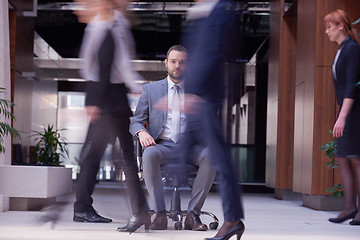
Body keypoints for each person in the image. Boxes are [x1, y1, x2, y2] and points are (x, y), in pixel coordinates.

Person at [73, 0, 150, 233]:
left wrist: (94, 98)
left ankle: (83, 207)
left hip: (108, 96)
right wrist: (95, 100)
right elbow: (104, 65)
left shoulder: (113, 23)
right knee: (123, 157)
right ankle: (139, 212)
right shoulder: (105, 25)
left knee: (97, 156)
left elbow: (102, 65)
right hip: (108, 98)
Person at [176, 0, 245, 239]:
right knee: (182, 157)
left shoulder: (221, 9)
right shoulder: (201, 11)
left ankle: (232, 219)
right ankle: (167, 212)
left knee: (219, 159)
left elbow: (213, 53)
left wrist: (195, 93)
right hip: (197, 95)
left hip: (204, 97)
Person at [129, 45, 216, 231]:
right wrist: (141, 132)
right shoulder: (150, 90)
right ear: (166, 63)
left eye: (182, 62)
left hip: (190, 146)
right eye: (174, 62)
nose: (177, 66)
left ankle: (192, 215)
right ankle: (160, 214)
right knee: (150, 154)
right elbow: (136, 121)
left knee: (212, 156)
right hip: (162, 145)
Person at [324, 9, 360, 226]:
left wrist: (343, 116)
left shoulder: (352, 49)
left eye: (329, 26)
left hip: (355, 110)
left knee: (356, 159)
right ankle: (349, 207)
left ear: (340, 26)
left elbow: (350, 86)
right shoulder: (342, 49)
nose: (326, 31)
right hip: (348, 109)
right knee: (343, 157)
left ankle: (355, 209)